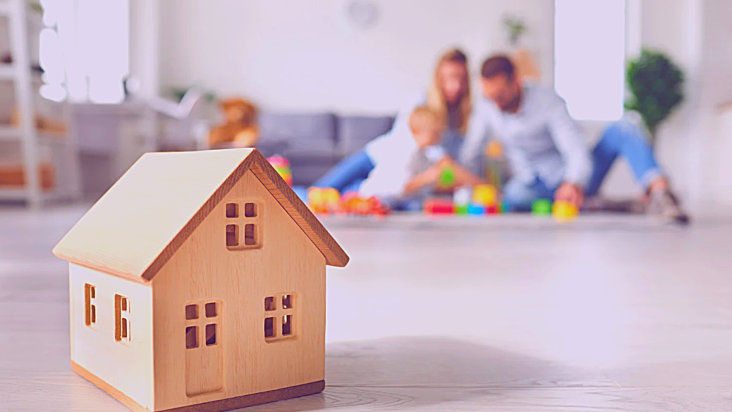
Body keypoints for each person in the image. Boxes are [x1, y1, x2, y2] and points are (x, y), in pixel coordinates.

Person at [461, 55, 689, 223]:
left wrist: (573, 182)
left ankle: (661, 194)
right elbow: (472, 152)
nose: (496, 104)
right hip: (531, 185)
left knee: (624, 127)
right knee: (514, 196)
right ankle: (594, 204)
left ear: (516, 81)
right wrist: (469, 188)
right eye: (490, 97)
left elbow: (574, 147)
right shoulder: (486, 108)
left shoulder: (547, 101)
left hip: (573, 178)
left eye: (500, 96)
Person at [313, 48, 483, 193]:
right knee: (321, 190)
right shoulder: (419, 102)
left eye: (461, 79)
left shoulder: (464, 117)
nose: (455, 85)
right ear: (438, 78)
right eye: (450, 78)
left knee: (349, 196)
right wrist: (477, 182)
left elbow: (453, 162)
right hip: (376, 157)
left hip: (397, 178)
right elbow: (429, 149)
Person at [357, 107, 476, 210]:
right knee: (417, 206)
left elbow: (423, 187)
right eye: (435, 133)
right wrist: (426, 178)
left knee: (424, 202)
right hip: (375, 198)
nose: (439, 137)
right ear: (419, 131)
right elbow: (401, 188)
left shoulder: (423, 155)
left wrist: (443, 185)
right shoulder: (405, 152)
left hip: (395, 201)